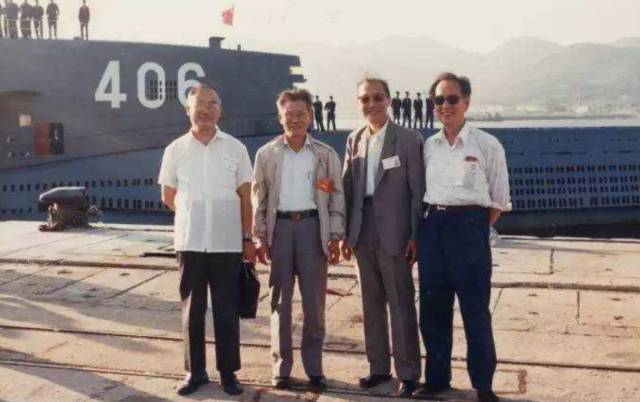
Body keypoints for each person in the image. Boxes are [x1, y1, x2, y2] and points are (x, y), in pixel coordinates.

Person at [415, 73, 510, 402]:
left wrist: (472, 225)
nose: (446, 106)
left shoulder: (486, 144)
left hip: (469, 227)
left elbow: (499, 198)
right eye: (439, 100)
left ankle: (483, 386)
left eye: (452, 99)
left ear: (466, 102)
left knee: (475, 311)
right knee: (432, 310)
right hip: (433, 227)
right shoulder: (429, 145)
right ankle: (437, 380)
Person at [158, 84, 255, 397]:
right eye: (199, 104)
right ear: (188, 109)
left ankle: (229, 373)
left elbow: (246, 197)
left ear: (220, 109)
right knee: (192, 310)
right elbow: (168, 195)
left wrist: (247, 237)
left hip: (227, 243)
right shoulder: (175, 149)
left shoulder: (235, 148)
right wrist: (193, 214)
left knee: (227, 311)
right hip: (190, 242)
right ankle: (195, 372)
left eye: (213, 103)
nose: (206, 110)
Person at [253, 88, 345, 393]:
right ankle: (281, 369)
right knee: (279, 303)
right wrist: (260, 235)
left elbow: (336, 197)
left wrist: (335, 235)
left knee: (314, 304)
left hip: (312, 229)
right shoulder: (266, 155)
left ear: (310, 116)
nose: (295, 120)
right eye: (289, 114)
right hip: (280, 229)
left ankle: (314, 369)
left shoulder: (325, 155)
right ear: (280, 117)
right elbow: (259, 198)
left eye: (301, 114)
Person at [341, 76, 424, 397]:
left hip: (395, 232)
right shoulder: (355, 140)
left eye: (377, 97)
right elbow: (348, 188)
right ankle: (378, 368)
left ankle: (409, 373)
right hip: (362, 231)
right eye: (365, 99)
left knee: (401, 303)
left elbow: (417, 192)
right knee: (371, 303)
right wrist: (345, 233)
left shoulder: (408, 139)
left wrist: (415, 234)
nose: (371, 104)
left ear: (389, 100)